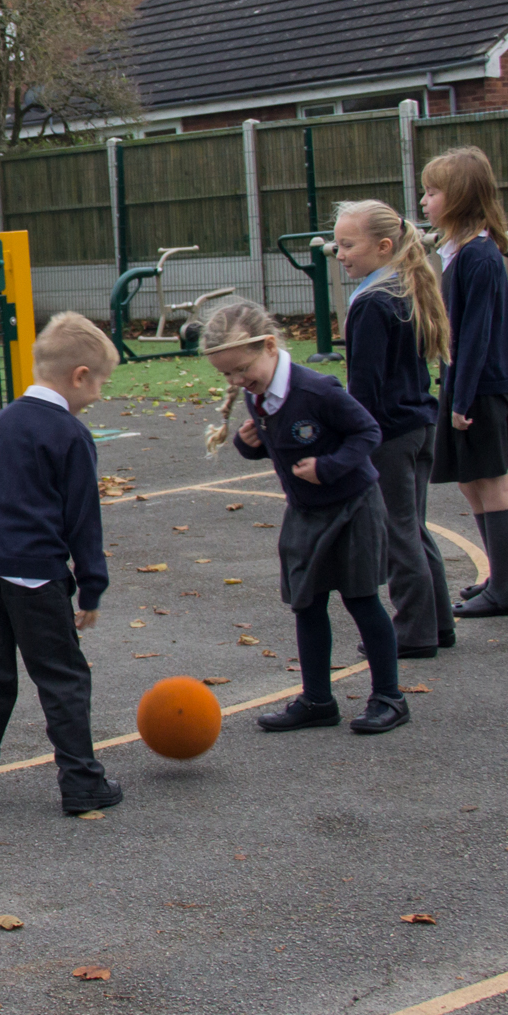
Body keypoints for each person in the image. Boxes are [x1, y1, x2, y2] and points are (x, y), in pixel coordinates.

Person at [201, 299, 408, 734]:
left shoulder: (317, 389)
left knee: (361, 598)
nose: (238, 381)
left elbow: (367, 432)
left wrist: (329, 467)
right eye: (227, 375)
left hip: (353, 506)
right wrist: (247, 443)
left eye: (242, 369)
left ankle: (389, 696)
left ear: (270, 347)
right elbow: (278, 445)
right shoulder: (258, 396)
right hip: (306, 511)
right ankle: (317, 700)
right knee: (307, 603)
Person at [0, 311, 123, 815]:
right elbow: (82, 520)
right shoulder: (69, 435)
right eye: (101, 383)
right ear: (80, 376)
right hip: (34, 573)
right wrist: (91, 587)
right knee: (63, 677)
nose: (99, 395)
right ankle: (82, 781)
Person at [419, 146, 508, 619]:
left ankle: (507, 588)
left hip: (483, 388)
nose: (424, 201)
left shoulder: (480, 255)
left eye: (432, 192)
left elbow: (473, 334)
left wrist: (462, 396)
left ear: (458, 197)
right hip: (465, 383)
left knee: (491, 484)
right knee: (470, 483)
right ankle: (498, 576)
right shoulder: (460, 251)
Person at [331, 200, 454, 658]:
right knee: (413, 527)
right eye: (338, 245)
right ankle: (437, 623)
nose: (339, 253)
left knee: (397, 533)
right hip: (419, 424)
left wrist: (351, 441)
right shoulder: (405, 288)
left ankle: (414, 631)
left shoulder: (371, 303)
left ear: (384, 246)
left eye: (348, 244)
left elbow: (365, 387)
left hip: (390, 433)